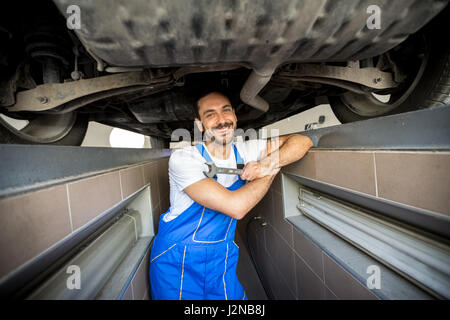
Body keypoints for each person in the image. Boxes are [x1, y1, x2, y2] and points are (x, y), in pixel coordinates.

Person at [149, 91, 313, 300]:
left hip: (220, 259)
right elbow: (236, 207)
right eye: (210, 115)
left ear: (234, 117)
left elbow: (302, 141)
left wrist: (267, 163)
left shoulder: (245, 150)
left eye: (226, 111)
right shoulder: (184, 158)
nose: (221, 120)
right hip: (178, 261)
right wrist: (272, 169)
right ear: (200, 125)